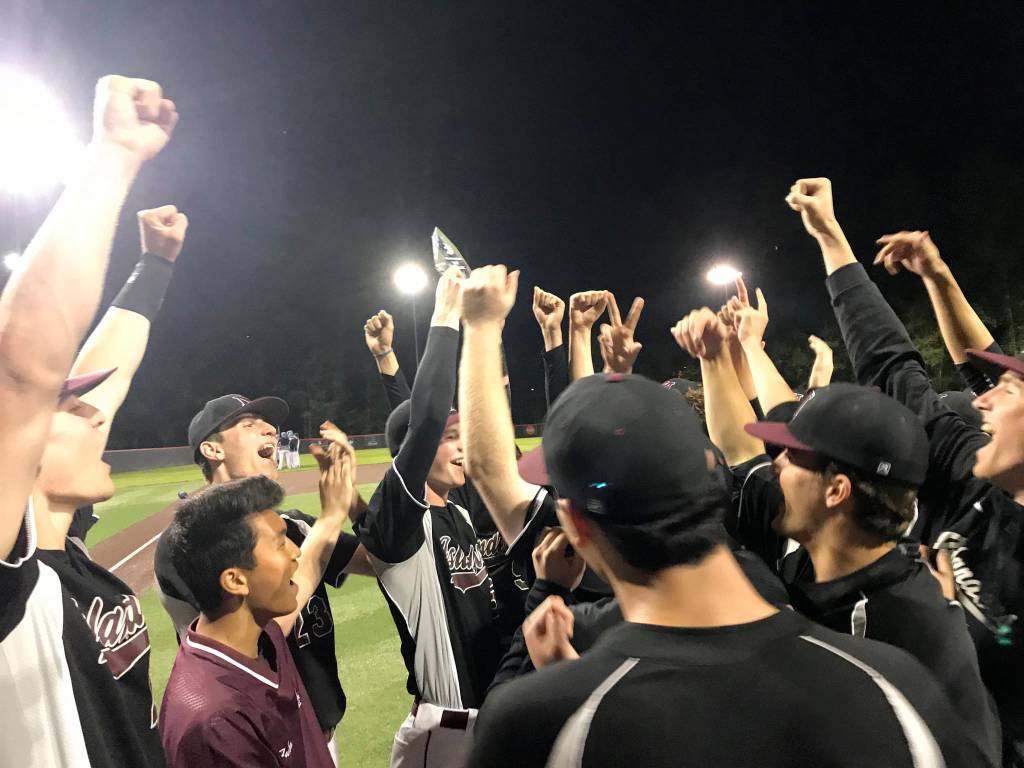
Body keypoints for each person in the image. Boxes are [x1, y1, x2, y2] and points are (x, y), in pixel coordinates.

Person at [470, 372, 991, 768]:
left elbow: (490, 473)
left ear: (576, 527)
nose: (781, 463)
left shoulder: (538, 721)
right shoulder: (898, 684)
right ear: (717, 485)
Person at [676, 286, 1001, 763]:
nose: (778, 464)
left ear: (837, 491)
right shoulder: (825, 537)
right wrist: (713, 356)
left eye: (792, 456)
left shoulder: (907, 636)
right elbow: (744, 455)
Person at [785, 177, 1024, 763]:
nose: (982, 398)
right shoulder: (970, 475)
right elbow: (893, 367)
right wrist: (831, 239)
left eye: (1010, 388)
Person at [0, 75, 178, 768]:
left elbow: (113, 366)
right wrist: (111, 156)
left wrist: (155, 267)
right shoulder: (12, 584)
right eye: (72, 411)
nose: (99, 417)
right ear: (24, 452)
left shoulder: (67, 552)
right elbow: (21, 371)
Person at [153, 399, 371, 759]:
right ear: (212, 449)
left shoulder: (294, 526)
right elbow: (262, 632)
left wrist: (352, 501)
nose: (269, 428)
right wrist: (331, 519)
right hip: (248, 733)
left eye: (267, 423)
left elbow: (383, 562)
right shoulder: (188, 545)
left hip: (313, 731)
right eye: (249, 424)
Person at [354, 267, 502, 768]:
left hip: (494, 718)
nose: (463, 450)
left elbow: (422, 426)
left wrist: (388, 364)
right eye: (451, 441)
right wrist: (447, 313)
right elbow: (424, 422)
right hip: (447, 732)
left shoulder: (459, 508)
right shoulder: (398, 527)